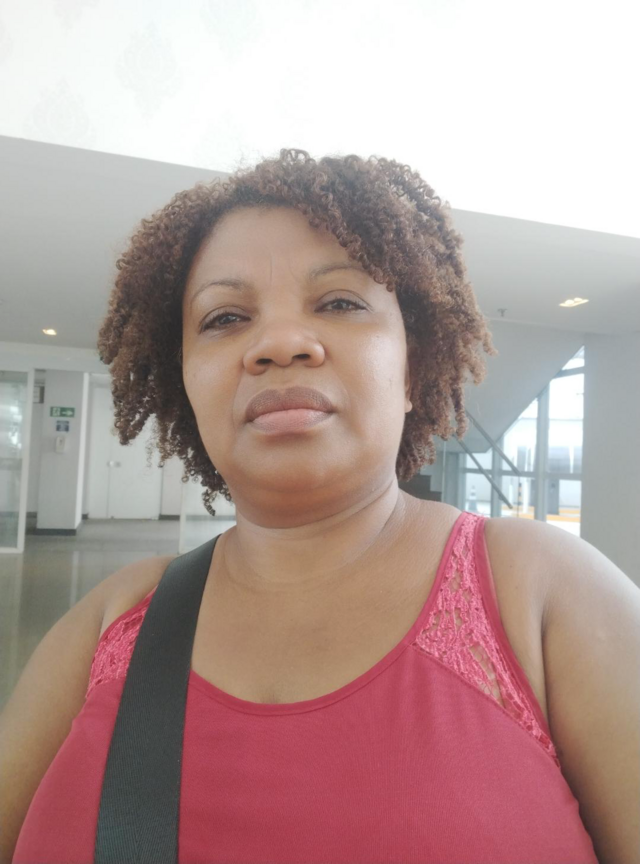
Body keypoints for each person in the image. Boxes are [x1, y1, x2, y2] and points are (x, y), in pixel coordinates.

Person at [2, 149, 638, 863]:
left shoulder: (545, 593)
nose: (278, 344)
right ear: (187, 383)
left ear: (411, 369)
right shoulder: (109, 622)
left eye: (339, 302)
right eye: (225, 317)